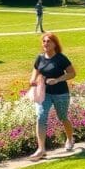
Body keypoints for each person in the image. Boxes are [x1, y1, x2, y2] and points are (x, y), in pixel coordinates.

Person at [29, 32, 77, 160]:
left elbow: (72, 73)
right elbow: (36, 69)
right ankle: (41, 149)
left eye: (48, 41)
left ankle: (70, 138)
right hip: (45, 93)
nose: (45, 43)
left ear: (55, 44)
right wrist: (32, 79)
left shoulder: (61, 58)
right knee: (41, 116)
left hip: (61, 93)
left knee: (63, 117)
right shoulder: (40, 58)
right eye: (44, 41)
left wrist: (57, 80)